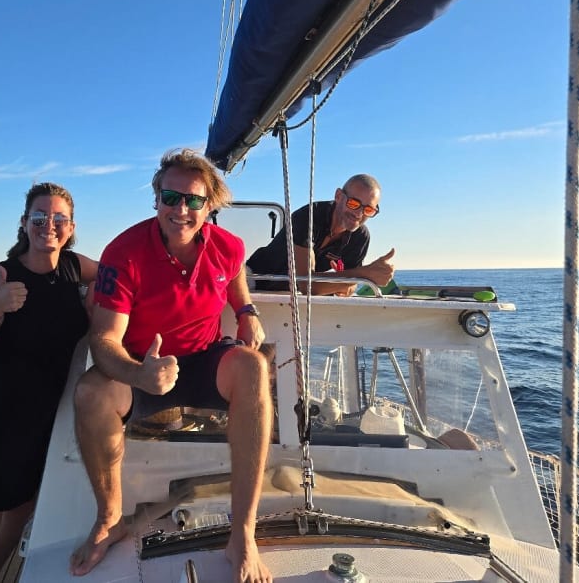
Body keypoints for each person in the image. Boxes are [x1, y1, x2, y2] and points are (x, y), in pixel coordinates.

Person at [69, 149, 273, 583]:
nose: (181, 209)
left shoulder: (228, 246)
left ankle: (243, 532)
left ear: (210, 206)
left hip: (202, 359)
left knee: (253, 368)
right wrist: (139, 373)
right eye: (170, 197)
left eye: (193, 201)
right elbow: (103, 339)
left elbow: (233, 275)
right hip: (140, 365)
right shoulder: (123, 253)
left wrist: (247, 309)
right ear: (156, 199)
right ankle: (109, 518)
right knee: (90, 393)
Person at [0, 182, 98, 583]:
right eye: (39, 217)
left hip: (46, 422)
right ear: (24, 223)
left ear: (70, 227)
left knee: (17, 519)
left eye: (58, 219)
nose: (48, 225)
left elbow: (120, 274)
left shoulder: (73, 268)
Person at [246, 173, 395, 296]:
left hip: (290, 293)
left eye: (368, 210)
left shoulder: (360, 237)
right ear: (338, 196)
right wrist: (365, 273)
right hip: (254, 281)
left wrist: (347, 284)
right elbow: (306, 283)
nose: (359, 213)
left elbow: (350, 286)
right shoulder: (308, 217)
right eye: (354, 204)